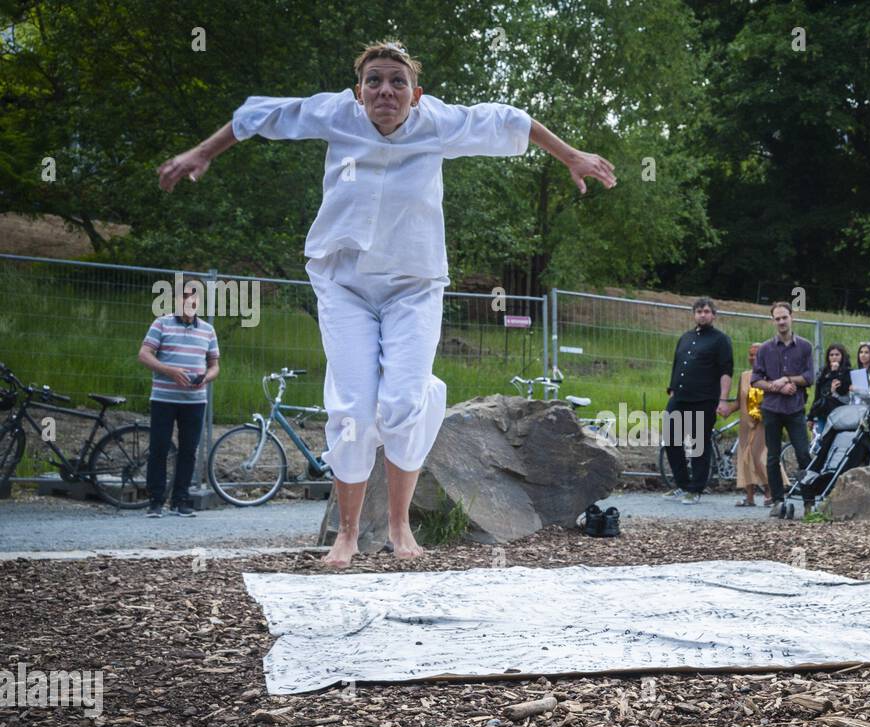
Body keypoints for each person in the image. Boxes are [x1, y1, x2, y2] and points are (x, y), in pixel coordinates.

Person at [157, 39, 615, 568]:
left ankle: (400, 524)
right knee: (352, 409)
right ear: (359, 91)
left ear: (415, 94)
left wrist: (572, 156)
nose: (385, 90)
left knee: (402, 404)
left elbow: (510, 120)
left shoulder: (438, 122)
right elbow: (262, 114)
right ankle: (348, 534)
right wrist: (202, 152)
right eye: (374, 80)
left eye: (397, 81)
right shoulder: (337, 113)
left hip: (413, 285)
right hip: (343, 282)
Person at [136, 284, 220, 517]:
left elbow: (214, 366)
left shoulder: (208, 330)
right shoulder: (161, 324)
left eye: (194, 298)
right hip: (164, 398)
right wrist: (169, 370)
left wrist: (206, 378)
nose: (189, 302)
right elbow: (143, 355)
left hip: (195, 400)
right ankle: (155, 500)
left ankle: (180, 500)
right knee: (159, 448)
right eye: (184, 297)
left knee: (188, 450)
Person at [664, 298, 734, 505]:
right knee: (671, 439)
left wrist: (722, 399)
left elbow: (726, 372)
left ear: (713, 315)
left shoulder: (721, 340)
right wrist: (672, 388)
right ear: (694, 314)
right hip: (680, 397)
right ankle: (682, 484)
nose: (702, 315)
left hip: (704, 399)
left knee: (698, 445)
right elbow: (678, 363)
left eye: (706, 311)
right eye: (698, 311)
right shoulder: (685, 337)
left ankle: (696, 489)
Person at [752, 301, 815, 510]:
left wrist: (787, 379)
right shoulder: (765, 349)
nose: (781, 321)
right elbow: (756, 379)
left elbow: (809, 377)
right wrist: (776, 387)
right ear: (773, 321)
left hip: (795, 409)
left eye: (784, 317)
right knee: (772, 456)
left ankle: (809, 502)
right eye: (777, 318)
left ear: (791, 317)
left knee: (803, 453)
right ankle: (778, 501)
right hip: (772, 409)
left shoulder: (805, 346)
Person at [719, 343, 770, 507]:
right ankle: (750, 497)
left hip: (763, 423)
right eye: (750, 354)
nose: (752, 358)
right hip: (745, 424)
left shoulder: (770, 375)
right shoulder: (745, 376)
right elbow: (740, 402)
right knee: (745, 458)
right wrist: (726, 410)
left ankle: (771, 494)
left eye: (756, 354)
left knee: (759, 458)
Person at [808, 343, 852, 444]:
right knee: (818, 441)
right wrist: (811, 416)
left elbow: (841, 390)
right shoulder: (823, 372)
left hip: (838, 413)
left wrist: (835, 372)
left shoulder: (847, 373)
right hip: (822, 412)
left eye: (837, 354)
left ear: (842, 356)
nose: (834, 357)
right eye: (831, 355)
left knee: (833, 442)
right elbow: (818, 395)